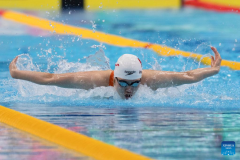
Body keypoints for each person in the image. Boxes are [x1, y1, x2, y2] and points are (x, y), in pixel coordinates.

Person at [9, 47, 222, 100]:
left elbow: (187, 76)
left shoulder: (151, 80)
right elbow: (51, 79)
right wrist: (17, 74)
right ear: (115, 78)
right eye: (124, 84)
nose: (130, 90)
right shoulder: (94, 81)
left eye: (135, 84)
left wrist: (213, 70)